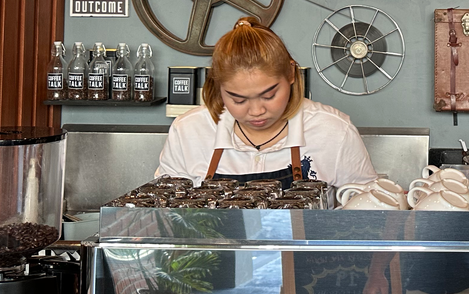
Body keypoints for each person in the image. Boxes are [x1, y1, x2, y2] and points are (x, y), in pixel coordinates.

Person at [155, 16, 376, 188]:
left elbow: (367, 214)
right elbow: (165, 216)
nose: (257, 111)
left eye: (269, 95)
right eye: (238, 99)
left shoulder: (334, 131)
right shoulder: (189, 131)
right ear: (218, 87)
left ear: (291, 74)